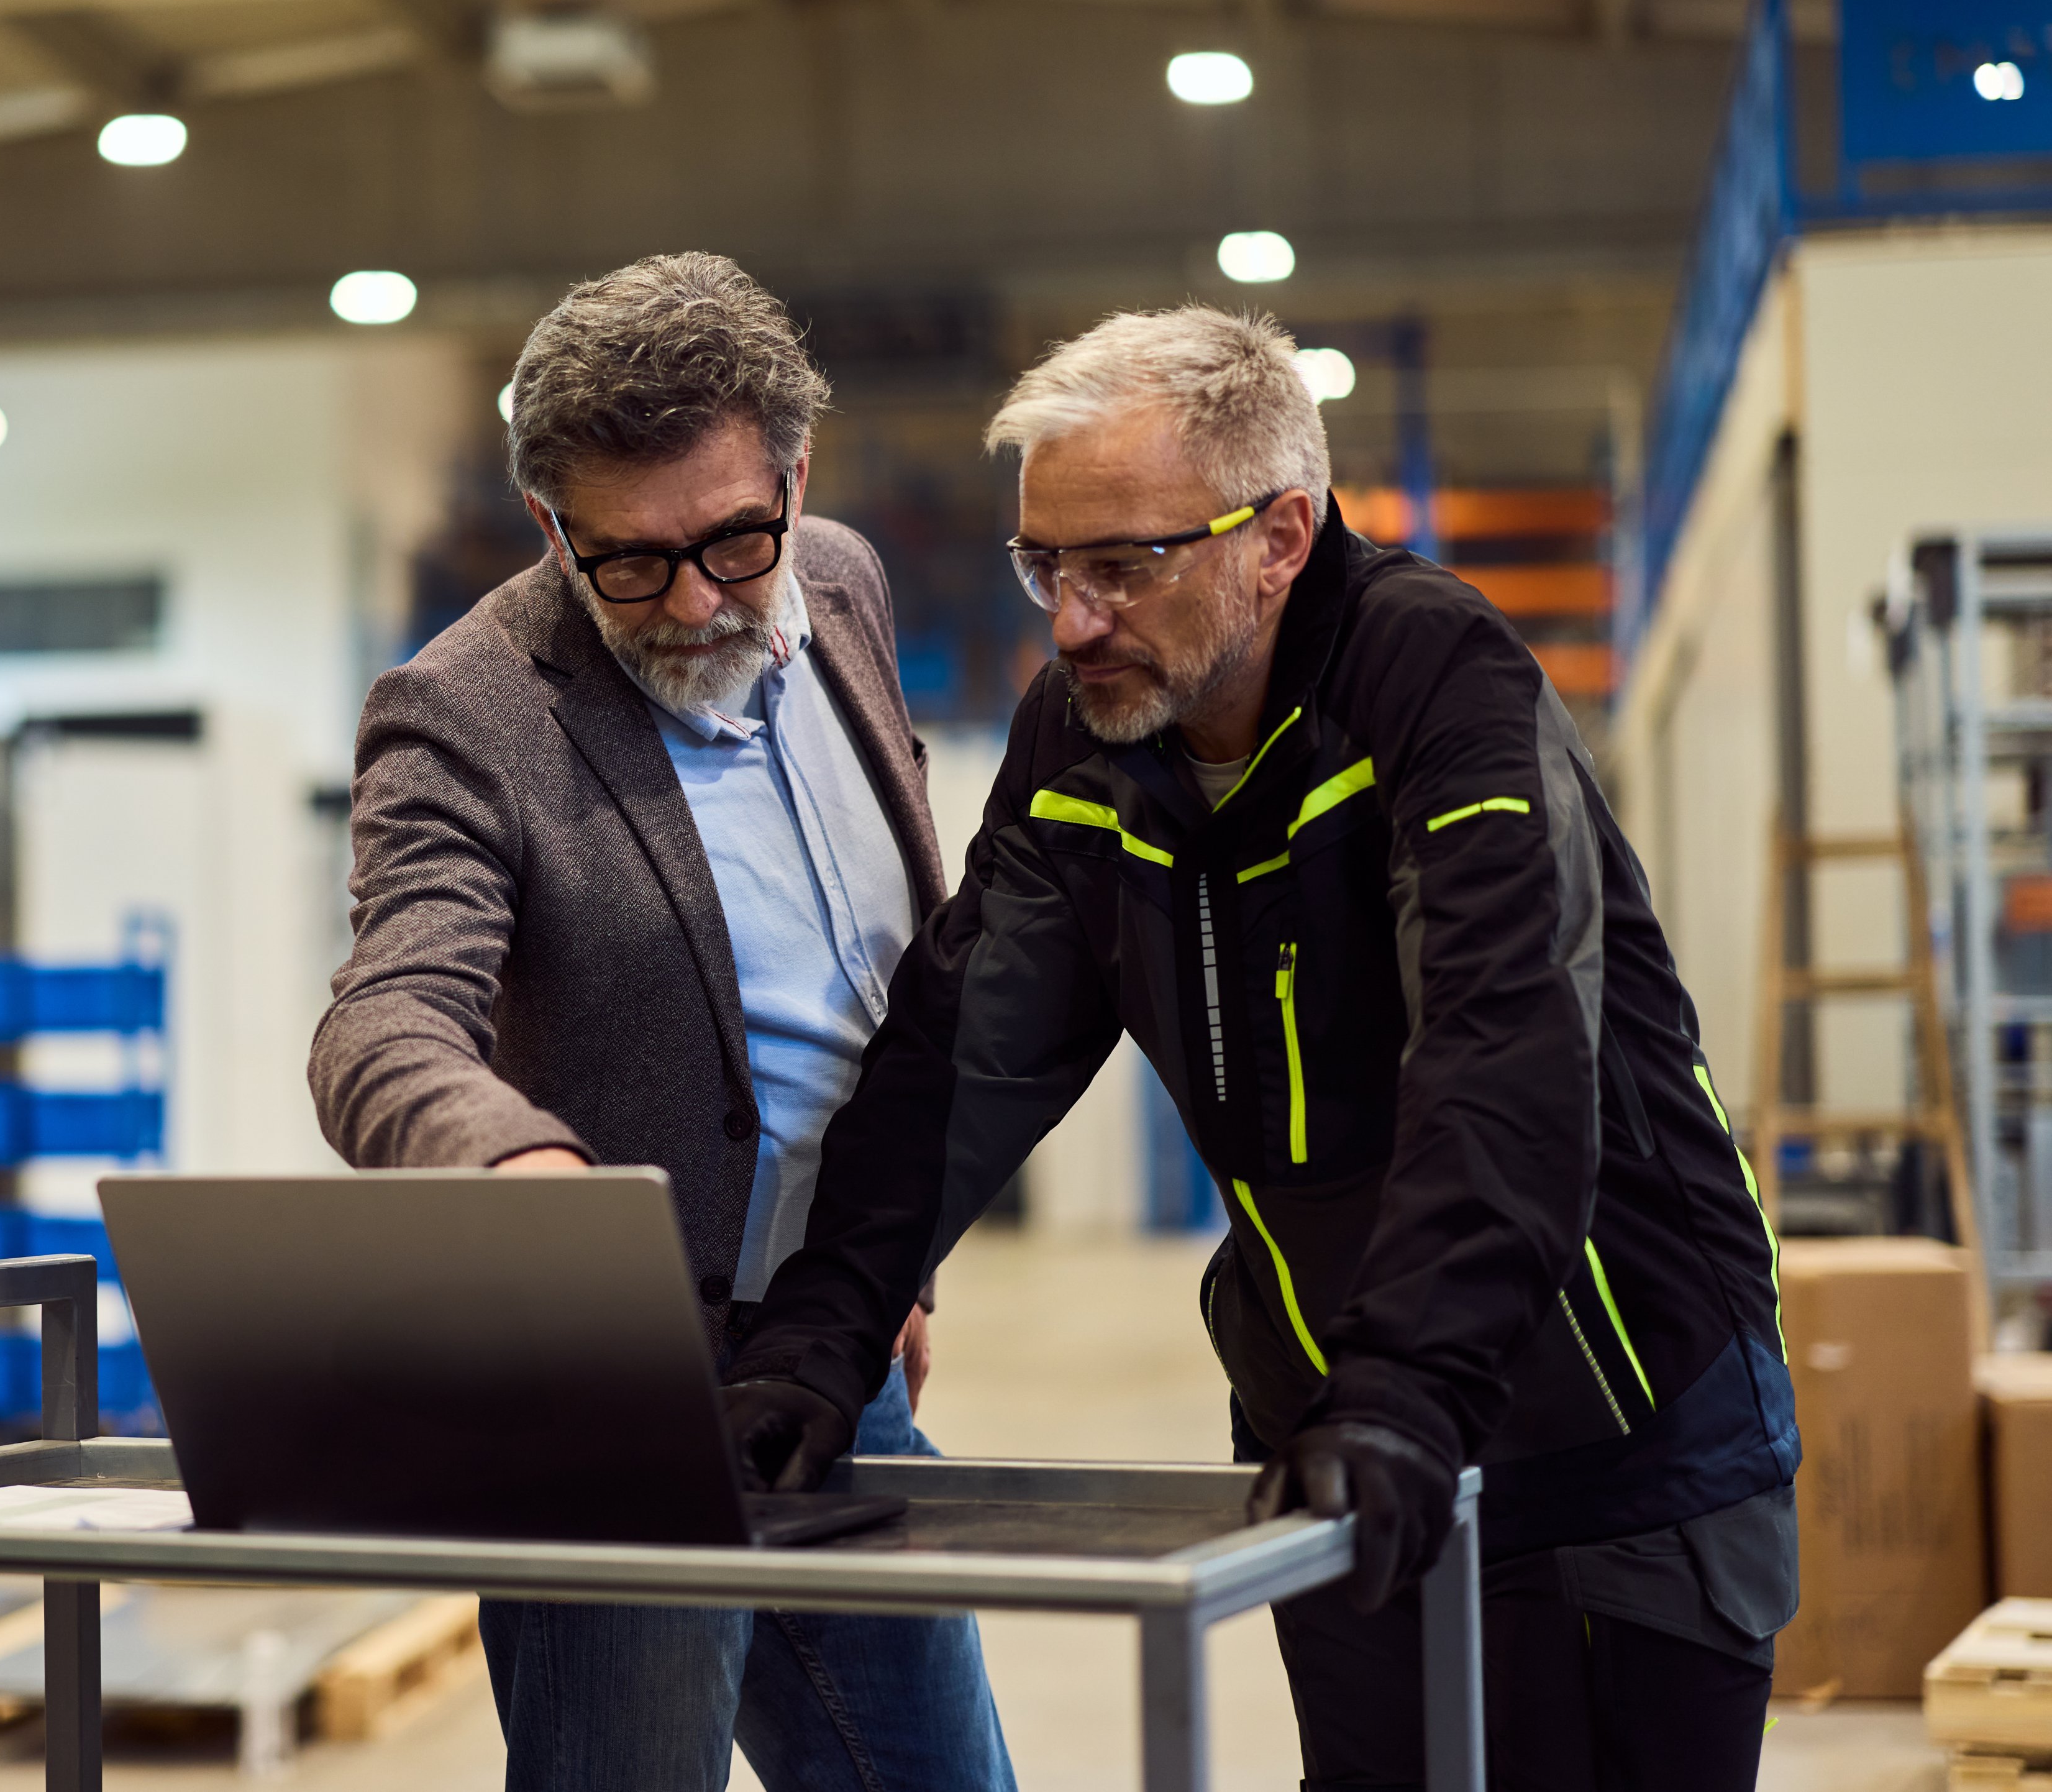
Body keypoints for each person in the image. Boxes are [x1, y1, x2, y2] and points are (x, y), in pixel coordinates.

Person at [718, 306, 1800, 1791]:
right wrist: (819, 1334)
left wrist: (1409, 1387)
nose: (1071, 618)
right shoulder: (1085, 738)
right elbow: (963, 1051)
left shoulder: (1439, 683)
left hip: (1615, 1420)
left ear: (1279, 536)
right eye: (1048, 565)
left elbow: (1504, 1054)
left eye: (1121, 564)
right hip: (1337, 1428)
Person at [310, 252, 1011, 1792]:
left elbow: (860, 962)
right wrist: (524, 1176)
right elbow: (385, 1025)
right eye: (630, 561)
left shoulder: (839, 581)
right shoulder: (468, 710)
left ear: (793, 473)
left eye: (730, 541)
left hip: (832, 1356)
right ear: (553, 525)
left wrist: (880, 1248)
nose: (695, 600)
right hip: (610, 1396)